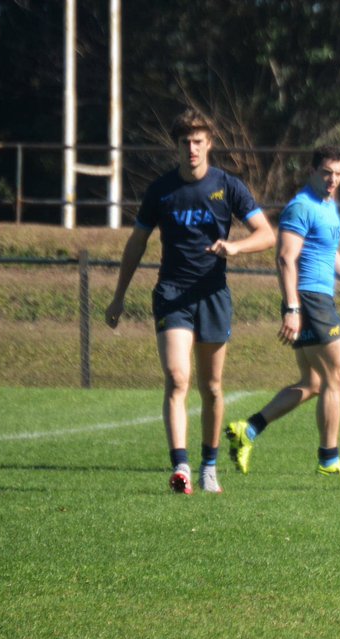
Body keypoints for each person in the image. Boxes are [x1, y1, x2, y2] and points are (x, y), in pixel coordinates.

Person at [105, 108, 275, 495]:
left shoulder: (228, 186)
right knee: (177, 377)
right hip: (172, 294)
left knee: (212, 387)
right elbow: (136, 245)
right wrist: (118, 297)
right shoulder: (161, 190)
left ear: (209, 143)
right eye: (185, 142)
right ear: (176, 145)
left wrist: (234, 246)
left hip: (212, 295)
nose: (192, 148)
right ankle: (180, 467)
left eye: (199, 141)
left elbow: (266, 234)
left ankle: (209, 466)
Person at [226, 146, 340, 477]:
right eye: (327, 172)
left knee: (312, 382)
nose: (333, 180)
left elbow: (330, 253)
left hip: (316, 299)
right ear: (312, 171)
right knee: (336, 378)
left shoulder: (327, 206)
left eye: (338, 174)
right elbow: (284, 257)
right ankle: (329, 460)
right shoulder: (301, 207)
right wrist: (292, 308)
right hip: (310, 300)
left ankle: (248, 430)